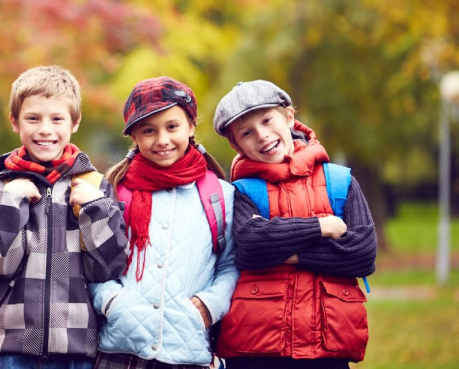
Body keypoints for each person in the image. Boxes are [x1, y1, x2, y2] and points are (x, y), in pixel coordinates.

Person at [212, 80, 377, 369]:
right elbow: (251, 245)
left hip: (327, 348)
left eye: (267, 120)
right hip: (256, 350)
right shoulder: (239, 192)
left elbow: (362, 253)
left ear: (289, 117)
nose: (262, 136)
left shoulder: (340, 181)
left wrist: (290, 254)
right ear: (236, 144)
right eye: (246, 132)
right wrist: (320, 226)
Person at [0, 65, 128, 369]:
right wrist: (11, 202)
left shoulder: (95, 186)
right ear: (15, 122)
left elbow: (108, 268)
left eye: (57, 119)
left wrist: (95, 210)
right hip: (9, 348)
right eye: (33, 118)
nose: (45, 129)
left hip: (76, 349)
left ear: (75, 122)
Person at [89, 76, 239, 369]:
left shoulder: (220, 195)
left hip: (187, 349)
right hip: (121, 348)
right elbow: (93, 261)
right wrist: (113, 303)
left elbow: (230, 264)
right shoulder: (113, 190)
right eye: (148, 130)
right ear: (134, 136)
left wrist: (209, 307)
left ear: (191, 126)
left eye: (172, 127)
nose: (162, 140)